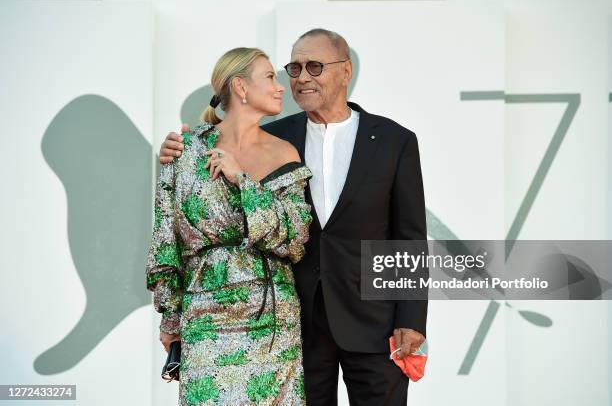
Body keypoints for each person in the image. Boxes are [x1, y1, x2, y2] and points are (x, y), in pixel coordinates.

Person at [160, 29, 428, 406]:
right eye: (294, 68)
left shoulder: (393, 140)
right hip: (295, 323)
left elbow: (410, 237)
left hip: (374, 322)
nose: (301, 77)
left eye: (314, 66)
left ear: (345, 71)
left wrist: (412, 318)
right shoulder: (272, 139)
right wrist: (177, 149)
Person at [146, 47, 313, 405]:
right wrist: (170, 318)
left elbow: (296, 239)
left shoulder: (285, 153)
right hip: (205, 321)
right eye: (270, 77)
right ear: (240, 86)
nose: (280, 86)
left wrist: (243, 181)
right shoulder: (185, 151)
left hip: (272, 325)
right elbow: (166, 242)